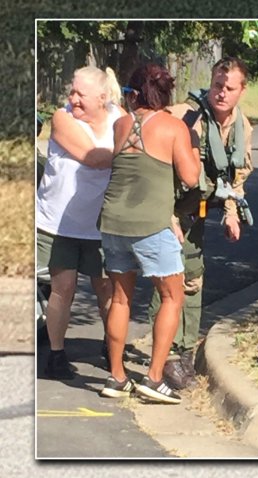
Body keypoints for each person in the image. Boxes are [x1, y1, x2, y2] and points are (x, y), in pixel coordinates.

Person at [147, 56, 254, 389]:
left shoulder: (243, 127)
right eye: (217, 85)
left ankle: (182, 354)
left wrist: (232, 213)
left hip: (197, 213)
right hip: (167, 211)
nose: (221, 93)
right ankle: (161, 360)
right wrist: (167, 217)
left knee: (192, 281)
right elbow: (155, 166)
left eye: (229, 88)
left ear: (242, 90)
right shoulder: (184, 116)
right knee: (167, 284)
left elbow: (236, 175)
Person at [98, 63, 200, 404]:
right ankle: (154, 378)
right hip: (151, 224)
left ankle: (116, 376)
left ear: (134, 94)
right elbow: (190, 177)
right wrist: (193, 146)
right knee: (173, 295)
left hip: (112, 221)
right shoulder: (173, 127)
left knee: (121, 297)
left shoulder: (120, 125)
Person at [36, 66, 124, 380]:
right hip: (59, 223)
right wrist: (130, 150)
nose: (72, 98)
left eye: (80, 94)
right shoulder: (62, 119)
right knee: (63, 289)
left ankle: (113, 348)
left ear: (102, 98)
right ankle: (56, 356)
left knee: (107, 289)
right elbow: (93, 157)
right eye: (71, 92)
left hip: (101, 224)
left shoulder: (119, 119)